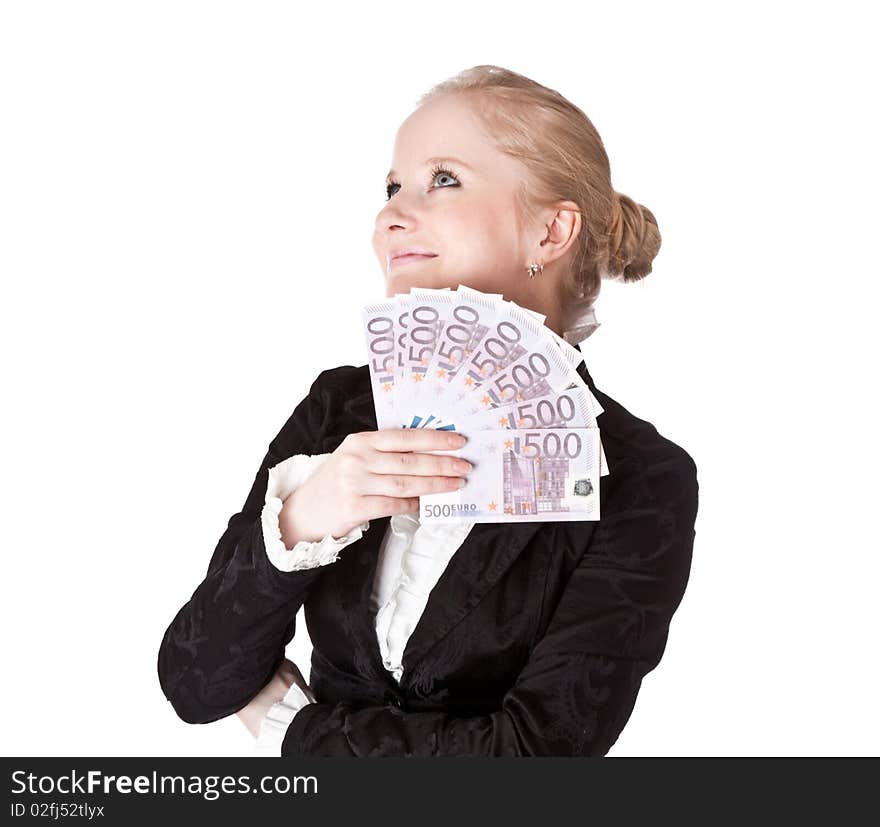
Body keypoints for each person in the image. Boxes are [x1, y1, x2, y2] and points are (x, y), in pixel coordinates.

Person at [157, 65, 699, 757]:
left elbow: (538, 756)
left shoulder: (641, 476)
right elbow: (195, 682)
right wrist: (299, 521)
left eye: (443, 179)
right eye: (391, 187)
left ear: (551, 230)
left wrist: (294, 727)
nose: (391, 213)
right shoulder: (337, 408)